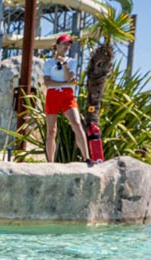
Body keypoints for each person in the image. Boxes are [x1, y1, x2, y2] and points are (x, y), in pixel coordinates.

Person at [43, 34, 92, 166]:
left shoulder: (71, 61)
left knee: (76, 123)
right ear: (57, 45)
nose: (67, 47)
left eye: (68, 45)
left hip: (67, 95)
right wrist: (65, 83)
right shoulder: (48, 63)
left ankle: (87, 157)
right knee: (51, 130)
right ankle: (50, 162)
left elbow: (70, 78)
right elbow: (47, 82)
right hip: (53, 95)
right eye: (64, 44)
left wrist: (65, 66)